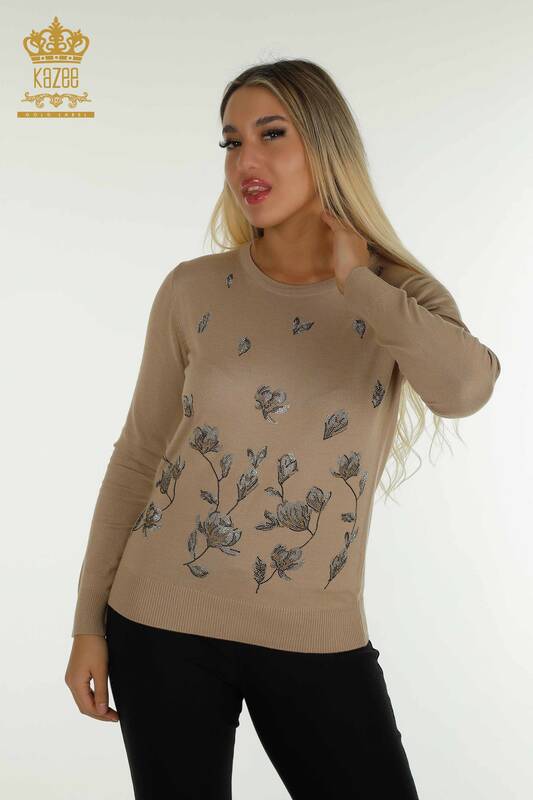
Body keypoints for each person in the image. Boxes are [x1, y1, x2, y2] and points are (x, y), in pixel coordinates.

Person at [65, 59, 501, 799]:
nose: (246, 160)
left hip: (315, 635)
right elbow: (139, 457)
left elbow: (464, 391)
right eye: (231, 141)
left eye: (271, 134)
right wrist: (88, 623)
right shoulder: (192, 289)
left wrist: (356, 282)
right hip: (158, 623)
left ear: (325, 148)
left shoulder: (396, 294)